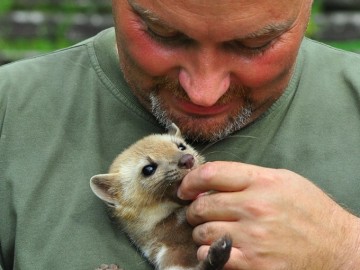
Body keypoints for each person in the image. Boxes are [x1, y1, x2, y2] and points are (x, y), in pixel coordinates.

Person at [0, 0, 359, 269]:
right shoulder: (9, 109)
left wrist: (345, 249)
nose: (204, 93)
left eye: (256, 44)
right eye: (164, 34)